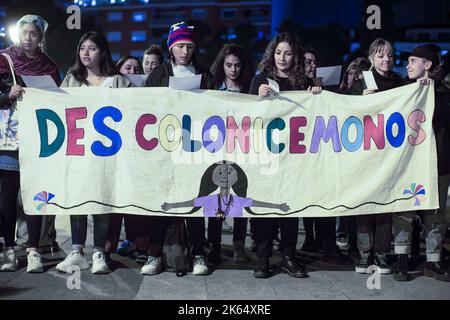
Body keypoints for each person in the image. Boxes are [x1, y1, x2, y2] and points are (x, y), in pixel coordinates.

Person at [56, 31, 131, 274]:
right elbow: (54, 106)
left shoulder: (118, 81)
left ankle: (99, 251)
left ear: (103, 53)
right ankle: (77, 250)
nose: (86, 53)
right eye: (82, 48)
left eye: (92, 48)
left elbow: (136, 110)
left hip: (107, 153)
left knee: (102, 199)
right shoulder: (71, 80)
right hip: (78, 150)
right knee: (77, 198)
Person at [248, 32, 322, 278]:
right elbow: (245, 113)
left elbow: (313, 115)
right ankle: (262, 259)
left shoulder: (302, 82)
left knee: (290, 208)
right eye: (278, 52)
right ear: (272, 54)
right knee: (264, 209)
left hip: (293, 156)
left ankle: (289, 256)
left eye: (288, 53)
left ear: (295, 57)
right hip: (265, 155)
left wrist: (315, 96)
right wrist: (257, 97)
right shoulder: (261, 78)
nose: (282, 57)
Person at [143, 22, 214, 276]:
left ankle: (198, 254)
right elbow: (146, 108)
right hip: (164, 147)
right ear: (171, 47)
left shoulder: (205, 74)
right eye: (180, 45)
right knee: (161, 201)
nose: (185, 51)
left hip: (194, 147)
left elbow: (215, 108)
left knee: (195, 203)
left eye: (190, 46)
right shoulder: (158, 74)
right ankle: (154, 255)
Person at [0, 14, 61, 273]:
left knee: (36, 194)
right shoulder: (3, 59)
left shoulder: (49, 66)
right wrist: (4, 94)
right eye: (23, 32)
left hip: (38, 139)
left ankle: (34, 250)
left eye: (33, 33)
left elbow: (58, 100)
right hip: (8, 138)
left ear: (40, 37)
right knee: (7, 195)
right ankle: (9, 250)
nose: (28, 37)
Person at [393, 45, 450, 282]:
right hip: (410, 163)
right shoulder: (404, 91)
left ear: (427, 65)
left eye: (413, 60)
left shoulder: (444, 92)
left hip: (440, 161)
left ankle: (433, 259)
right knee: (405, 209)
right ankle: (402, 259)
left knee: (435, 212)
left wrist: (432, 93)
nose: (407, 64)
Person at [351, 38, 405, 275]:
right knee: (366, 201)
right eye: (381, 55)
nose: (386, 59)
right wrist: (360, 100)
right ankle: (365, 253)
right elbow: (346, 109)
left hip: (390, 153)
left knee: (385, 203)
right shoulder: (362, 80)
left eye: (390, 55)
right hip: (366, 152)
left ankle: (382, 253)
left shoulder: (399, 82)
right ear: (371, 57)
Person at [208, 44, 254, 264]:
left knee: (239, 200)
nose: (233, 70)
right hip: (218, 149)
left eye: (237, 65)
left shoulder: (250, 88)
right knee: (217, 200)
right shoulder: (213, 87)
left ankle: (238, 245)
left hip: (243, 149)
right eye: (228, 65)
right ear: (222, 65)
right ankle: (214, 245)